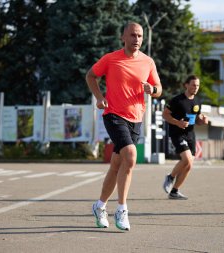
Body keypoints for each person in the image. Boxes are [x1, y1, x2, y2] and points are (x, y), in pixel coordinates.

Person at [85, 22, 162, 231]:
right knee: (130, 155)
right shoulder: (111, 59)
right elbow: (91, 76)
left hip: (136, 118)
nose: (136, 39)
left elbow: (159, 89)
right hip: (113, 114)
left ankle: (100, 206)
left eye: (140, 36)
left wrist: (152, 89)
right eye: (133, 35)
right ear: (123, 37)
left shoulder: (148, 62)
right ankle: (122, 209)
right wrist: (99, 97)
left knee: (117, 164)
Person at [162, 75, 208, 200]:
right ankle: (170, 177)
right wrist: (178, 122)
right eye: (193, 85)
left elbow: (197, 120)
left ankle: (174, 191)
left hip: (190, 134)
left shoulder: (197, 101)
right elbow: (165, 115)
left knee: (189, 165)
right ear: (186, 85)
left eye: (197, 85)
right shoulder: (177, 100)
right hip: (177, 133)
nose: (196, 87)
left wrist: (202, 121)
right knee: (186, 159)